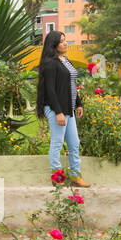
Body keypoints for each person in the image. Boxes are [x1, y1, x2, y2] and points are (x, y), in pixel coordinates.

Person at [36, 30, 90, 187]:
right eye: (61, 41)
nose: (65, 43)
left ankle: (75, 175)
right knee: (57, 143)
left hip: (69, 108)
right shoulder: (50, 63)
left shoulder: (65, 60)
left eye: (65, 40)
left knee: (74, 144)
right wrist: (58, 112)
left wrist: (78, 103)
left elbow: (71, 85)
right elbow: (50, 90)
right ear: (54, 44)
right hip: (56, 109)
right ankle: (57, 177)